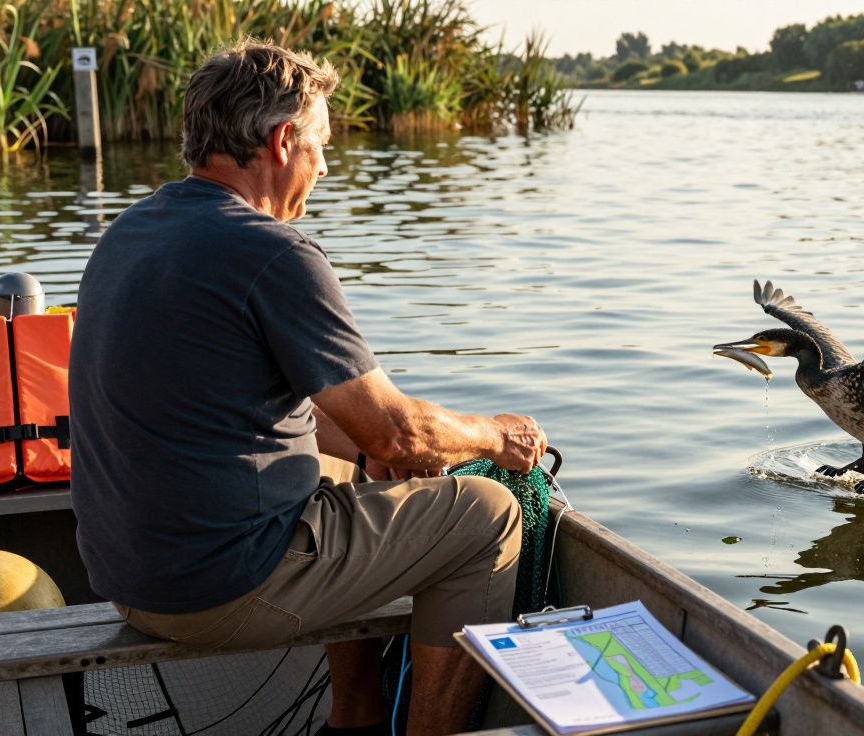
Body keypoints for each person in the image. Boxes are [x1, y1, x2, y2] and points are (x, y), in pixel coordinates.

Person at [69, 40, 548, 736]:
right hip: (219, 591)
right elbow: (399, 432)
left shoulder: (130, 232)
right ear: (282, 140)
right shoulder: (272, 251)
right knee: (489, 515)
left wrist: (369, 450)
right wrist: (496, 435)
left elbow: (253, 411)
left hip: (130, 583)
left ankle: (353, 721)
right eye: (320, 144)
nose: (324, 166)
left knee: (349, 470)